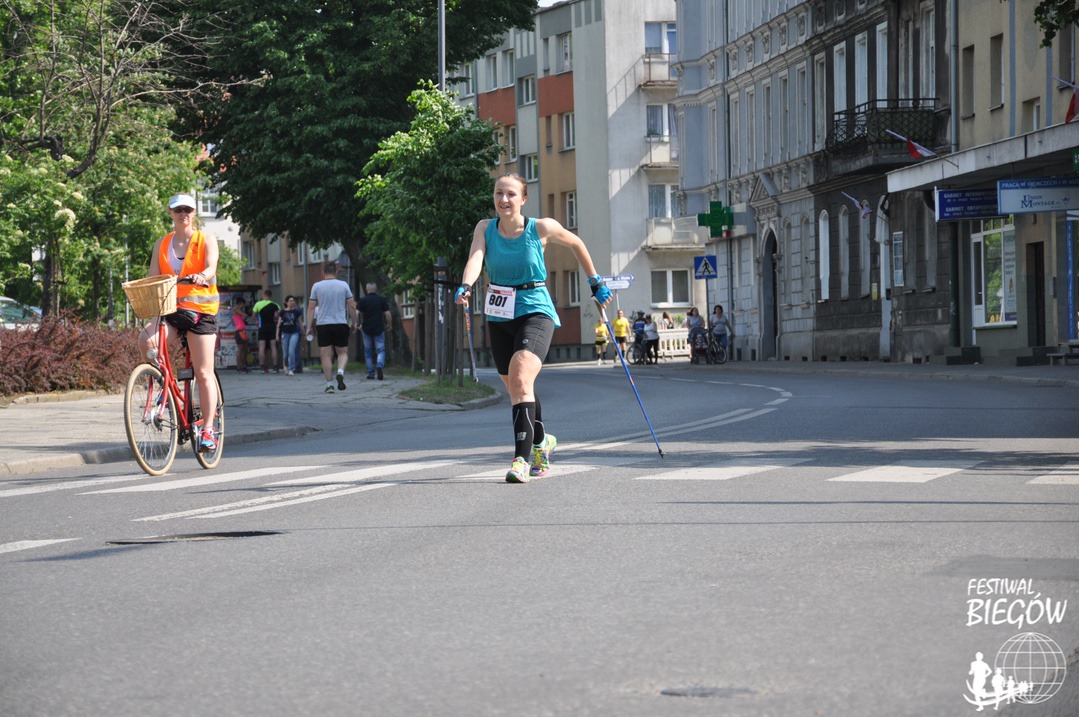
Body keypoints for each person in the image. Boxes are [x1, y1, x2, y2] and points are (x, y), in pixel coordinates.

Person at [455, 173, 612, 483]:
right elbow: (476, 256)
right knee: (517, 386)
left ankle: (520, 461)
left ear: (523, 199)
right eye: (498, 193)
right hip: (500, 313)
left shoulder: (540, 228)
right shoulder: (485, 228)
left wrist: (595, 281)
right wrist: (466, 284)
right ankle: (542, 442)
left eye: (511, 194)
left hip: (535, 309)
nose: (503, 199)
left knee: (520, 376)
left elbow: (576, 243)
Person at [138, 193, 220, 452]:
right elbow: (153, 277)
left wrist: (202, 275)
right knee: (146, 340)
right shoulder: (162, 243)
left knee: (203, 372)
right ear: (171, 213)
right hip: (171, 311)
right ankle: (165, 385)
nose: (183, 213)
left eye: (187, 209)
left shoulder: (205, 239)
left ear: (194, 213)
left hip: (201, 312)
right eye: (178, 210)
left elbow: (211, 267)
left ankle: (208, 430)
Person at [305, 261, 357, 394]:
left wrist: (309, 327)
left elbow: (311, 307)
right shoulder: (343, 285)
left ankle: (329, 385)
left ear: (323, 273)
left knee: (326, 355)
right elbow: (352, 306)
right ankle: (340, 372)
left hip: (323, 324)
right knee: (342, 353)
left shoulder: (317, 286)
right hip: (340, 323)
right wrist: (354, 323)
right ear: (336, 272)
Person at [356, 282, 391, 380]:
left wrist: (357, 324)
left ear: (366, 289)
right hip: (379, 328)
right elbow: (388, 314)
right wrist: (389, 324)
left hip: (366, 328)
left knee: (368, 352)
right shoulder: (381, 300)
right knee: (380, 350)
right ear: (376, 289)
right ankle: (379, 365)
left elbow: (357, 313)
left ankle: (371, 373)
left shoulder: (362, 300)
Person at [252, 290, 281, 373]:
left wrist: (257, 321)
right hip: (272, 327)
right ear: (271, 296)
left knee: (262, 347)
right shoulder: (276, 305)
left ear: (264, 295)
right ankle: (275, 367)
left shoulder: (258, 304)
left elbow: (253, 316)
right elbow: (278, 316)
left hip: (262, 327)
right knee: (273, 347)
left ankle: (262, 367)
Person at [276, 295, 303, 375]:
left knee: (292, 351)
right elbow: (279, 324)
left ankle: (291, 368)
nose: (292, 302)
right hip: (285, 333)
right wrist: (277, 335)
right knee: (285, 353)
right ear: (286, 302)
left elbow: (300, 323)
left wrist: (304, 332)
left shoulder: (297, 312)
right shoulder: (282, 312)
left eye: (293, 301)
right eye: (290, 301)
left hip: (294, 333)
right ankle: (286, 366)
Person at [231, 297, 251, 373]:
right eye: (243, 305)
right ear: (241, 304)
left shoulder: (237, 310)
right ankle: (239, 366)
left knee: (244, 349)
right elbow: (245, 315)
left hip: (242, 330)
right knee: (240, 349)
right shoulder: (236, 309)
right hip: (239, 331)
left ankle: (243, 365)